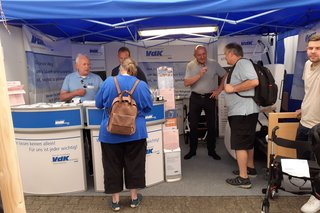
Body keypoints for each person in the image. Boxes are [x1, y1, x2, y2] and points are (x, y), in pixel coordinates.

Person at [95, 58, 153, 211]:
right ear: (134, 70)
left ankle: (115, 201)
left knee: (112, 165)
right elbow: (148, 107)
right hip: (136, 132)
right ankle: (134, 198)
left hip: (110, 132)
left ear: (121, 69)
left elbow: (98, 104)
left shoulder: (108, 82)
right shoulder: (141, 85)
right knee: (135, 164)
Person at [223, 43, 259, 189]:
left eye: (225, 54)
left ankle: (244, 178)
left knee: (240, 144)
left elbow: (254, 81)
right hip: (244, 111)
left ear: (232, 53)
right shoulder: (239, 65)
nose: (224, 56)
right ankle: (249, 169)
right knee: (247, 142)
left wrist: (232, 89)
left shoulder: (243, 63)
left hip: (242, 112)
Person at [183, 45, 227, 160]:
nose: (202, 57)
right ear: (195, 55)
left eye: (204, 54)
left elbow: (225, 75)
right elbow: (186, 83)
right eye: (199, 55)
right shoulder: (190, 65)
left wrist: (219, 89)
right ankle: (192, 151)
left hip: (210, 97)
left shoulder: (213, 63)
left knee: (212, 125)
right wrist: (199, 74)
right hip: (195, 98)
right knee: (193, 125)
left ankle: (212, 151)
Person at [297, 34, 320, 213]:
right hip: (304, 121)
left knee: (317, 164)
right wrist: (303, 108)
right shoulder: (307, 65)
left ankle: (317, 197)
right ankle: (313, 189)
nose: (313, 51)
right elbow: (309, 91)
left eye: (318, 48)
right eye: (310, 48)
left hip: (318, 125)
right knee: (304, 161)